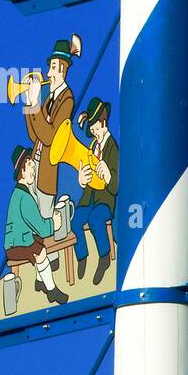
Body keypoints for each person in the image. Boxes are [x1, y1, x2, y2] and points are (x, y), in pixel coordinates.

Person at [23, 36, 79, 222]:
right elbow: (35, 137)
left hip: (47, 172)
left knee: (45, 219)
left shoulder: (66, 99)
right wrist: (30, 104)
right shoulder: (49, 98)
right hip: (35, 164)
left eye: (52, 67)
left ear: (62, 69)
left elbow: (50, 138)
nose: (48, 74)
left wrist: (36, 106)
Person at [4, 146, 67, 305]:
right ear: (22, 171)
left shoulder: (21, 193)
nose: (34, 170)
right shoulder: (23, 197)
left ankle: (40, 282)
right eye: (31, 166)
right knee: (40, 251)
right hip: (16, 245)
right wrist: (55, 223)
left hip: (19, 240)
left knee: (39, 244)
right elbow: (42, 228)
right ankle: (52, 290)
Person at [72, 96, 117, 285]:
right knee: (75, 221)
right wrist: (81, 180)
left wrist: (107, 176)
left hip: (105, 201)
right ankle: (82, 257)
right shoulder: (93, 146)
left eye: (94, 126)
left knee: (96, 219)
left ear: (102, 122)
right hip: (89, 200)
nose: (91, 130)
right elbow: (87, 171)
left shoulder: (112, 147)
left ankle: (104, 257)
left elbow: (115, 186)